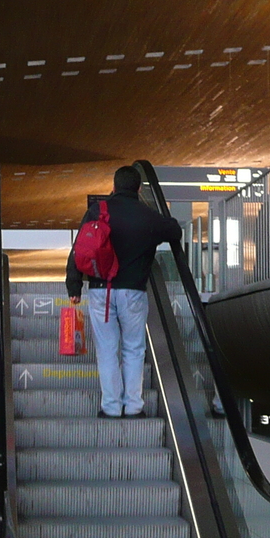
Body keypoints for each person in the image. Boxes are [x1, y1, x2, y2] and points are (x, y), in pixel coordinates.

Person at [66, 165, 182, 418]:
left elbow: (80, 248)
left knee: (107, 350)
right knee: (133, 349)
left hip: (100, 291)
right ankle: (133, 406)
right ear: (139, 188)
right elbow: (175, 231)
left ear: (114, 186)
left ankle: (111, 407)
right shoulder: (148, 216)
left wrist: (74, 284)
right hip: (133, 293)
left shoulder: (99, 211)